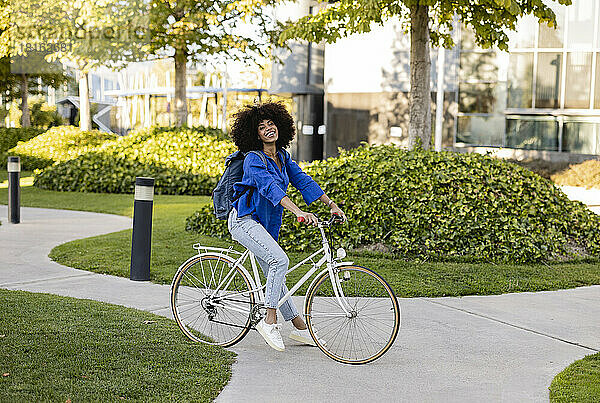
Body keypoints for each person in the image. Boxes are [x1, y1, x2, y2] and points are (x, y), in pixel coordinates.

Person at [226, 101, 347, 352]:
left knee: (276, 271)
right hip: (245, 221)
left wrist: (331, 204)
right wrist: (299, 211)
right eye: (262, 127)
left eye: (271, 123)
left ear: (280, 125)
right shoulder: (253, 160)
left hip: (264, 224)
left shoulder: (282, 156)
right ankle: (268, 321)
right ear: (254, 134)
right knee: (279, 262)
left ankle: (300, 328)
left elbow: (304, 181)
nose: (269, 129)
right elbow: (271, 189)